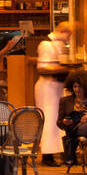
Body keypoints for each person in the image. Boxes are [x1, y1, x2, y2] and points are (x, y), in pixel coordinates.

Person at [34, 21, 76, 165]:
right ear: (64, 31)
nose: (69, 38)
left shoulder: (60, 46)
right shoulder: (47, 45)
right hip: (48, 87)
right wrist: (67, 69)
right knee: (50, 119)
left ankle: (60, 153)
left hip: (57, 87)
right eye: (69, 34)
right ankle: (48, 155)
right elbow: (43, 68)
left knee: (58, 118)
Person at [58, 70, 87, 170]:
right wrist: (64, 122)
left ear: (86, 87)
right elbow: (59, 122)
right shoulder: (65, 101)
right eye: (75, 86)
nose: (77, 89)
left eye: (80, 86)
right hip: (76, 128)